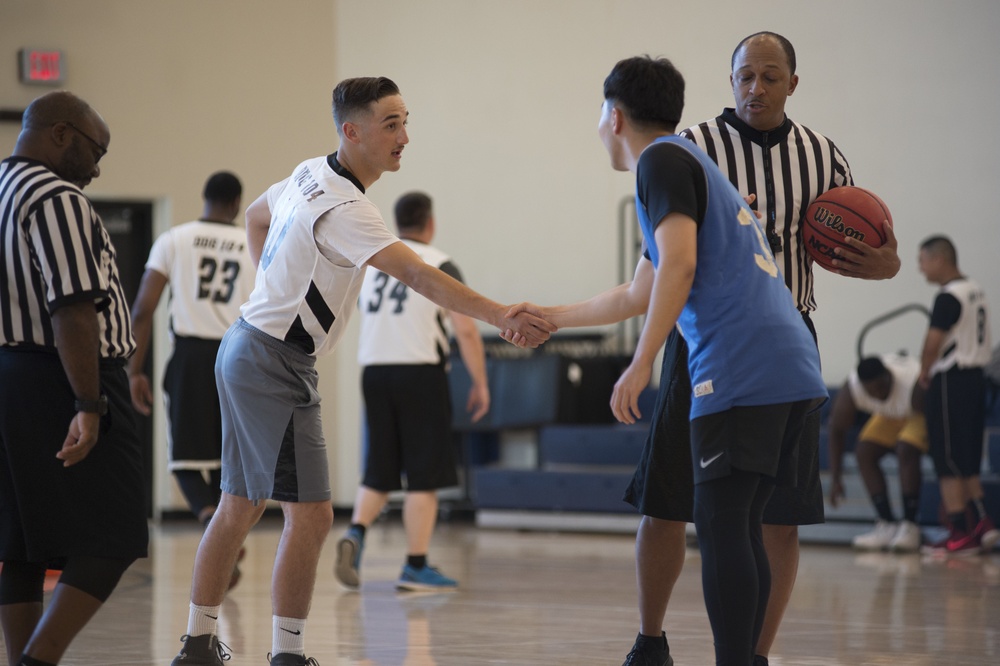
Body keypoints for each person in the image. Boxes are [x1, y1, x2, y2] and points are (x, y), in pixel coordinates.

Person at [168, 76, 554, 666]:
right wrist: (502, 312)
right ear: (352, 131)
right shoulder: (347, 207)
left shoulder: (307, 172)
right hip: (260, 357)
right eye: (391, 125)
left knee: (315, 515)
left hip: (286, 361)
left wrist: (268, 280)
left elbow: (254, 217)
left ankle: (288, 654)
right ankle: (197, 644)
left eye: (406, 121)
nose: (405, 136)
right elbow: (422, 277)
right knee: (241, 503)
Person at [507, 54, 828, 666]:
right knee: (735, 521)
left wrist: (641, 361)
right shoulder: (691, 163)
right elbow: (636, 293)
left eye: (600, 115)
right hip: (789, 363)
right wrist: (550, 316)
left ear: (615, 115)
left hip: (742, 364)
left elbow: (678, 267)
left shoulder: (659, 161)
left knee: (722, 522)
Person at [616, 32, 901, 666]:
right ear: (731, 80)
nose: (756, 88)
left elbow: (881, 256)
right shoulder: (690, 148)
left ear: (792, 84)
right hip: (702, 342)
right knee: (667, 500)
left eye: (770, 77)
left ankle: (755, 653)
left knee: (780, 515)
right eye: (745, 76)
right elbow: (659, 268)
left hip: (787, 341)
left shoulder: (822, 156)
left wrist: (881, 263)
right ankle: (650, 639)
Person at [0, 91, 148, 666]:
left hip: (11, 377)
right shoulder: (56, 196)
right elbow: (73, 307)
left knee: (21, 543)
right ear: (61, 133)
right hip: (66, 377)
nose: (96, 167)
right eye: (95, 150)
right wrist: (89, 402)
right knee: (117, 535)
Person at [335, 191, 489, 592]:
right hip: (420, 372)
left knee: (380, 467)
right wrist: (480, 381)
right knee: (424, 474)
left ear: (397, 222)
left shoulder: (374, 264)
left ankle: (356, 532)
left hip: (373, 371)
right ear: (430, 222)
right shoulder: (440, 262)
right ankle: (416, 565)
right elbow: (466, 328)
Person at [127, 170, 255, 589]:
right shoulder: (252, 243)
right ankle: (226, 532)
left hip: (189, 356)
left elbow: (143, 309)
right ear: (236, 203)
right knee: (228, 460)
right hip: (238, 353)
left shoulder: (174, 239)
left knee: (183, 460)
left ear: (205, 198)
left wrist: (134, 368)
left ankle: (209, 521)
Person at [916, 235, 999, 556]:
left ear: (939, 259)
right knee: (967, 458)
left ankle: (959, 532)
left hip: (952, 380)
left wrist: (925, 372)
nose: (920, 269)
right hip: (977, 379)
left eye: (922, 260)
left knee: (947, 459)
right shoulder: (976, 290)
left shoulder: (948, 296)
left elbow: (932, 344)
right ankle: (981, 522)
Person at [826, 354, 927, 553]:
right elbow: (836, 431)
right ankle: (887, 523)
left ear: (889, 376)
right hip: (890, 415)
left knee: (905, 449)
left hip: (917, 413)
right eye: (872, 392)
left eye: (882, 388)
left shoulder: (912, 381)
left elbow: (936, 417)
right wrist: (836, 477)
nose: (878, 394)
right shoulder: (853, 388)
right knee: (864, 452)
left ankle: (910, 525)